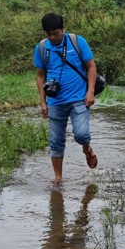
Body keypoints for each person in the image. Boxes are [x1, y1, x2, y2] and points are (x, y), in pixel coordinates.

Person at [34, 12, 99, 184]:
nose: (53, 37)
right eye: (49, 34)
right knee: (55, 142)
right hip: (55, 102)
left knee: (82, 134)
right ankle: (58, 178)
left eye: (56, 33)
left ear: (63, 29)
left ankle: (87, 149)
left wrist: (90, 91)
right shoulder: (42, 48)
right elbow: (40, 75)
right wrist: (42, 102)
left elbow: (91, 66)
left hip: (79, 99)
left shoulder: (77, 42)